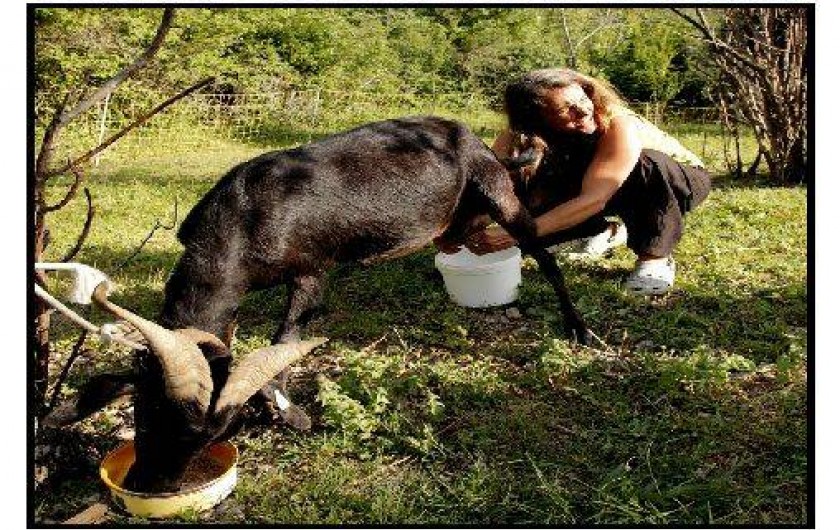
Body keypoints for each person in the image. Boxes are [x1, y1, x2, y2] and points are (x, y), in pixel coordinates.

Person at [465, 68, 712, 295]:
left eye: (583, 99)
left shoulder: (618, 122)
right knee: (530, 168)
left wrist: (521, 232)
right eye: (567, 109)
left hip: (674, 181)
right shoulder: (520, 135)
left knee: (644, 164)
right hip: (597, 185)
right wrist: (472, 223)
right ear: (537, 118)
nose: (584, 110)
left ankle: (654, 259)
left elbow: (594, 198)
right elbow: (496, 185)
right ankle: (597, 232)